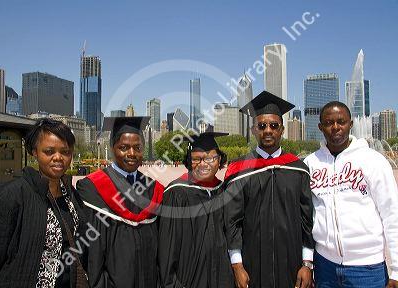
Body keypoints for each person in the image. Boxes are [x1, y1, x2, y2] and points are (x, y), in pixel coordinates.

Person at [0, 118, 88, 288]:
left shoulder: (71, 196)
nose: (58, 157)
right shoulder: (7, 198)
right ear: (34, 152)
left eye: (65, 152)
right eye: (49, 151)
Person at [223, 91, 315, 288]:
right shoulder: (239, 170)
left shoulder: (298, 169)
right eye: (261, 126)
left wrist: (307, 264)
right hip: (251, 264)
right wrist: (237, 265)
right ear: (254, 130)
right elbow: (232, 222)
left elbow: (307, 219)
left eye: (274, 126)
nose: (268, 130)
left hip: (292, 263)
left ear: (282, 130)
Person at [303, 101, 398, 288]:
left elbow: (392, 215)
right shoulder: (310, 163)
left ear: (351, 124)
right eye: (329, 123)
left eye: (341, 121)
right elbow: (306, 217)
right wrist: (308, 263)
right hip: (324, 266)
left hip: (367, 268)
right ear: (321, 127)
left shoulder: (373, 161)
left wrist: (396, 270)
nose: (336, 127)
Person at [76, 116, 164, 288]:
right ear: (112, 148)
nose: (131, 154)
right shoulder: (92, 188)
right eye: (124, 148)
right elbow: (92, 251)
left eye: (137, 148)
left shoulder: (153, 189)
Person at [158, 132, 234, 288]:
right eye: (196, 159)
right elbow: (167, 249)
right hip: (188, 280)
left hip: (223, 278)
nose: (203, 164)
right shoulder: (176, 193)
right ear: (188, 161)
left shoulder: (224, 190)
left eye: (210, 158)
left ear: (219, 160)